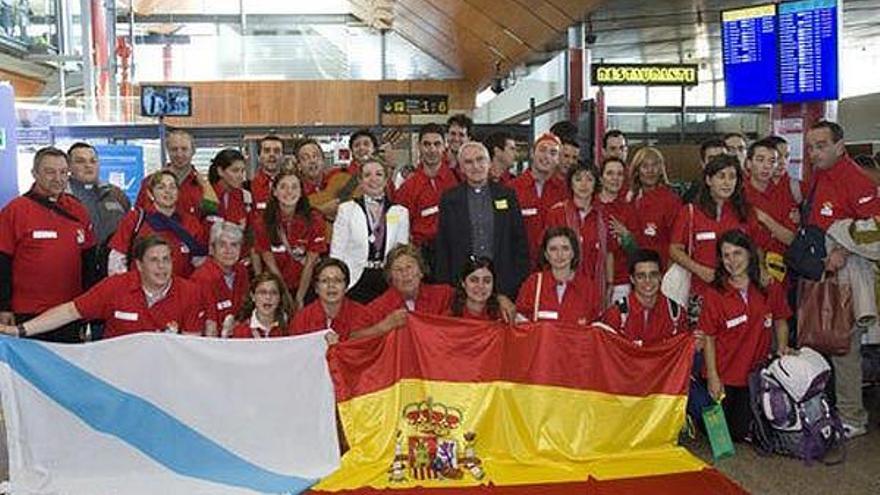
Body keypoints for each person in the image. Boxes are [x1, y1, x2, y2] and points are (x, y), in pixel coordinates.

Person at [803, 120, 880, 438]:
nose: (814, 152)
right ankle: (829, 409)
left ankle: (853, 416)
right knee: (820, 339)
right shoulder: (819, 175)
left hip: (848, 275)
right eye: (810, 147)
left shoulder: (857, 180)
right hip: (820, 271)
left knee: (844, 348)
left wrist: (842, 247)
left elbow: (874, 230)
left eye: (821, 145)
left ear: (840, 145)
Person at [0, 235, 207, 339]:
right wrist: (19, 330)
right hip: (118, 378)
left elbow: (189, 347)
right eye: (154, 260)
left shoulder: (190, 292)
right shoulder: (115, 287)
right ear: (139, 265)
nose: (162, 267)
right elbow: (70, 311)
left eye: (166, 260)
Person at [700, 229, 792, 442]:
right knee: (722, 435)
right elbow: (709, 338)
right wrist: (713, 377)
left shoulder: (769, 285)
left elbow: (781, 319)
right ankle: (697, 396)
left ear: (749, 254)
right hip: (723, 374)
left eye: (737, 253)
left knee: (739, 434)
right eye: (726, 255)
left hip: (754, 375)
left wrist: (782, 347)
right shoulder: (715, 293)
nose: (732, 261)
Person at [0, 147, 97, 343]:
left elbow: (88, 262)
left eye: (63, 172)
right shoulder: (16, 210)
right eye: (50, 172)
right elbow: (2, 263)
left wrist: (87, 307)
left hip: (68, 313)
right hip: (27, 313)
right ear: (34, 173)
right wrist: (4, 307)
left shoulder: (77, 209)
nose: (58, 178)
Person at [669, 154, 765, 309]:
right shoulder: (690, 212)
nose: (727, 182)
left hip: (740, 292)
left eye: (732, 177)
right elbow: (674, 249)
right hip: (701, 293)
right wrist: (700, 270)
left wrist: (761, 269)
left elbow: (756, 247)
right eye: (721, 176)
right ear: (708, 180)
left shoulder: (746, 213)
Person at [435, 142, 529, 298]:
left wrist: (516, 283)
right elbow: (443, 246)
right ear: (461, 167)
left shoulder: (507, 195)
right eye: (468, 162)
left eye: (480, 160)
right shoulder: (450, 198)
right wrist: (445, 288)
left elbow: (519, 242)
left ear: (489, 163)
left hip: (503, 283)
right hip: (461, 284)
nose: (476, 166)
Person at [331, 159, 410, 303]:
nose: (373, 179)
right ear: (360, 181)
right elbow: (337, 253)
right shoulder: (346, 209)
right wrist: (338, 283)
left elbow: (401, 253)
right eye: (367, 175)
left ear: (386, 180)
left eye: (379, 174)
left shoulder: (400, 212)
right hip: (354, 280)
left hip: (387, 280)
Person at [108, 170, 208, 278]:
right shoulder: (135, 219)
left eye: (172, 187)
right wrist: (125, 289)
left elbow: (200, 262)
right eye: (161, 187)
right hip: (140, 290)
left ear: (178, 192)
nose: (167, 191)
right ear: (150, 193)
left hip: (180, 291)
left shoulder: (191, 223)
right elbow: (116, 260)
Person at [252, 170, 327, 309]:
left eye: (294, 187)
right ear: (274, 191)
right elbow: (270, 264)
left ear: (301, 191)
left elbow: (310, 263)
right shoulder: (262, 222)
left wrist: (299, 297)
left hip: (306, 284)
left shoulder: (315, 220)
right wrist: (285, 295)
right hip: (276, 285)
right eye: (283, 187)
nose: (289, 191)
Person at [393, 123, 460, 275]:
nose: (432, 150)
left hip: (456, 252)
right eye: (427, 144)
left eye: (437, 144)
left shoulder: (457, 180)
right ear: (419, 147)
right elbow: (398, 227)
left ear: (445, 146)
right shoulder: (407, 188)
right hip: (424, 258)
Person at [545, 163, 612, 309]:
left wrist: (609, 285)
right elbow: (548, 253)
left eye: (589, 179)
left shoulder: (604, 215)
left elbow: (608, 253)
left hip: (596, 287)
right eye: (578, 179)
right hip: (563, 286)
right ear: (570, 183)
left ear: (596, 184)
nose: (584, 184)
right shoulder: (557, 213)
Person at [66, 142, 131, 279]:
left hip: (112, 271)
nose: (88, 165)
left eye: (93, 161)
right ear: (69, 167)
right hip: (74, 272)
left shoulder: (116, 194)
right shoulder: (62, 197)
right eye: (80, 161)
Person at [516, 227, 600, 325]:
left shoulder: (589, 288)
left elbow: (595, 329)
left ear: (573, 253)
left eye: (565, 248)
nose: (559, 254)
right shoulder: (533, 284)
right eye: (553, 249)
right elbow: (519, 323)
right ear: (546, 255)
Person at [602, 249, 686, 345]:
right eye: (641, 276)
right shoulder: (616, 315)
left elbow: (685, 351)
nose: (648, 281)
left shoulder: (676, 314)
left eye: (653, 275)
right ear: (632, 279)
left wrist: (695, 344)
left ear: (661, 277)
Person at [509, 132, 569, 267]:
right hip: (520, 267)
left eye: (553, 152)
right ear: (532, 153)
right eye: (542, 150)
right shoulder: (512, 189)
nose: (546, 156)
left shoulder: (565, 192)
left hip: (555, 268)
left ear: (558, 159)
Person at [742, 139, 797, 283]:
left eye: (772, 161)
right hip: (745, 269)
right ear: (748, 163)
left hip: (782, 269)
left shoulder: (785, 194)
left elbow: (791, 238)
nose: (766, 166)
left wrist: (765, 219)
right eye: (760, 160)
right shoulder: (738, 195)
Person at [134, 129, 218, 218]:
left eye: (184, 149)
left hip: (193, 231)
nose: (179, 154)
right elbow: (138, 215)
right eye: (174, 149)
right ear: (168, 151)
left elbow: (212, 217)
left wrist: (206, 186)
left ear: (193, 151)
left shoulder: (204, 185)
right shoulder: (150, 182)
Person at [190, 221, 250, 337]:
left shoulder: (241, 271)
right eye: (222, 245)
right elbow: (208, 327)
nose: (229, 251)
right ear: (212, 248)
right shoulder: (201, 278)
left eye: (234, 245)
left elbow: (245, 309)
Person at [626, 146, 682, 269]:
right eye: (645, 166)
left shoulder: (671, 200)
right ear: (637, 170)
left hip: (662, 270)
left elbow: (678, 243)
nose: (650, 170)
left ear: (661, 169)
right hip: (634, 271)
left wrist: (667, 275)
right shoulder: (630, 199)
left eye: (655, 165)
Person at [290, 257, 367, 341]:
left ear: (346, 287)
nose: (331, 285)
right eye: (324, 281)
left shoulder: (363, 316)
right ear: (316, 287)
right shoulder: (301, 320)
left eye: (337, 280)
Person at [597, 156, 639, 303]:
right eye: (610, 173)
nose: (615, 178)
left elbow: (636, 251)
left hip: (621, 282)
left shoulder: (629, 209)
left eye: (620, 174)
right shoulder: (590, 205)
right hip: (591, 279)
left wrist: (626, 236)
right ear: (601, 178)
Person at [228, 271, 294, 339]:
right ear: (253, 296)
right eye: (262, 292)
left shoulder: (289, 327)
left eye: (274, 293)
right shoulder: (240, 331)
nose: (268, 297)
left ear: (280, 298)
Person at [207, 148, 253, 229]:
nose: (240, 176)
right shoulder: (207, 195)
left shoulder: (246, 197)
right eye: (235, 171)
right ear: (220, 171)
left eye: (242, 171)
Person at [448, 256, 501, 321]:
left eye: (487, 281)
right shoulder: (448, 317)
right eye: (474, 280)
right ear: (463, 283)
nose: (481, 286)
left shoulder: (503, 317)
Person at [251, 135, 285, 211]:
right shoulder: (248, 187)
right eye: (267, 151)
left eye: (276, 151)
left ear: (282, 157)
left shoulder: (293, 187)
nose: (272, 155)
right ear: (259, 157)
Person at [445, 113, 473, 179]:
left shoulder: (474, 164)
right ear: (447, 136)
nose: (456, 139)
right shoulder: (437, 161)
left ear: (469, 139)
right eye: (453, 134)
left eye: (461, 135)